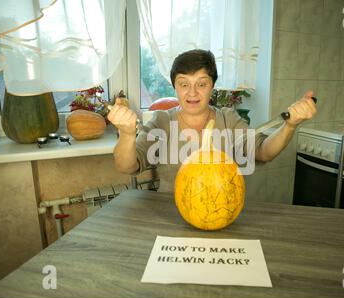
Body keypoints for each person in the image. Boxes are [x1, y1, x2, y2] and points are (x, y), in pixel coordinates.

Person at [107, 49, 316, 192]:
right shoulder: (161, 121)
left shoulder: (228, 118)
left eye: (201, 83)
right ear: (174, 87)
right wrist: (126, 133)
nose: (192, 92)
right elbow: (127, 166)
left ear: (212, 86)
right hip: (173, 217)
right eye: (184, 84)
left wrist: (290, 125)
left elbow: (263, 152)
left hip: (223, 213)